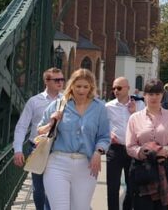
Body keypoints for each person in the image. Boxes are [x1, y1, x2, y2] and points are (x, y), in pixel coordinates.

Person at [38, 68, 110, 210]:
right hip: (57, 163)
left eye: (85, 87)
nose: (81, 90)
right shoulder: (59, 105)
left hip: (86, 165)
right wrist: (51, 123)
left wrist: (98, 152)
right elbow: (39, 130)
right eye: (78, 86)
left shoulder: (100, 108)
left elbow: (104, 136)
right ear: (71, 86)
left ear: (91, 88)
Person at [12, 67, 65, 210]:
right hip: (37, 148)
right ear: (46, 81)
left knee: (54, 187)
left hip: (59, 149)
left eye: (62, 79)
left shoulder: (67, 101)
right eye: (57, 80)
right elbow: (22, 126)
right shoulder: (34, 101)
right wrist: (18, 150)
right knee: (39, 188)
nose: (61, 82)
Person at [126, 80, 168, 210]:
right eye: (150, 94)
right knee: (141, 206)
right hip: (141, 168)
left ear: (162, 95)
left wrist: (167, 150)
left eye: (157, 94)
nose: (154, 97)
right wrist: (143, 151)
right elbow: (130, 146)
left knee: (162, 206)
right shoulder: (134, 118)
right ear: (144, 95)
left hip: (163, 167)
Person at [105, 76, 145, 210]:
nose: (116, 90)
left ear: (128, 88)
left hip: (132, 149)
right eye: (114, 88)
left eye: (119, 88)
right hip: (115, 150)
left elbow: (144, 127)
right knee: (112, 186)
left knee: (132, 185)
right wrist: (109, 134)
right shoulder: (108, 106)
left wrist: (134, 113)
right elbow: (103, 126)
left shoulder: (139, 105)